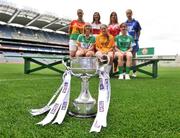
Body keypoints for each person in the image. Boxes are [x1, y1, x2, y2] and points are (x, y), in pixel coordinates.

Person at [125, 9, 141, 77]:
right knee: (127, 56)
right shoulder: (125, 23)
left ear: (132, 13)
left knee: (134, 57)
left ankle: (134, 72)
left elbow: (139, 31)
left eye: (130, 13)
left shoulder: (136, 22)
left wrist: (137, 38)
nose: (128, 15)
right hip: (126, 42)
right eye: (127, 13)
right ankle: (126, 72)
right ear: (126, 14)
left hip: (134, 41)